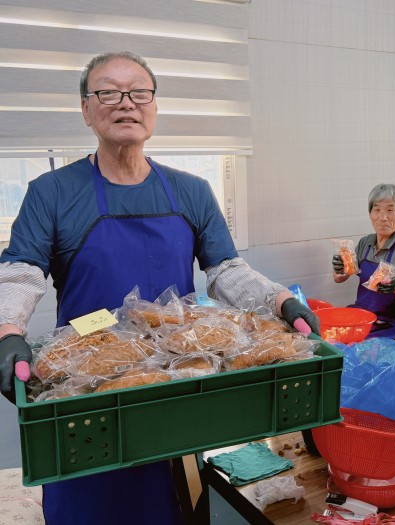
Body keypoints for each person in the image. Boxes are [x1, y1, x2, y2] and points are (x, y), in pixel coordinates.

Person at [0, 51, 319, 525]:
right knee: (89, 501)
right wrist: (8, 331)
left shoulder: (191, 190)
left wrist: (279, 299)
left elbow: (226, 269)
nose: (125, 102)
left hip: (173, 387)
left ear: (153, 106)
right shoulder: (52, 192)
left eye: (138, 92)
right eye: (108, 92)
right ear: (86, 109)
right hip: (86, 389)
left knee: (171, 504)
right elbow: (21, 270)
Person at [331, 183, 395, 340]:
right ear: (370, 213)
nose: (382, 217)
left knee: (345, 348)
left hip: (388, 324)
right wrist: (339, 268)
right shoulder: (366, 242)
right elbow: (339, 278)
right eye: (377, 210)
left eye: (390, 210)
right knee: (326, 337)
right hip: (361, 317)